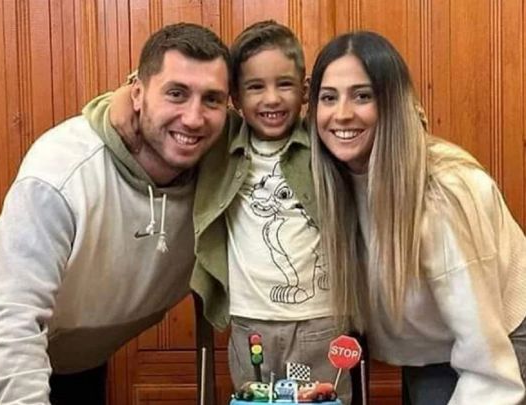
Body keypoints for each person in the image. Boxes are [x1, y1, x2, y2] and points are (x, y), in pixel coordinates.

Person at [105, 20, 354, 403]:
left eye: (284, 85)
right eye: (255, 87)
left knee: (319, 400)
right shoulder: (222, 141)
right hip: (248, 320)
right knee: (254, 399)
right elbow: (150, 99)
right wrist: (125, 93)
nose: (271, 99)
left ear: (306, 91)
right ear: (234, 97)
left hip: (320, 319)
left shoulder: (321, 141)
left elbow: (373, 124)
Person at [0, 22, 230, 405]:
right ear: (137, 93)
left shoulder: (225, 165)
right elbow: (12, 321)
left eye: (212, 100)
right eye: (176, 93)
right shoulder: (60, 176)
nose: (194, 118)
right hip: (2, 347)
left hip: (76, 361)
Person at [308, 30, 526, 404]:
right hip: (432, 347)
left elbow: (491, 369)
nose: (341, 114)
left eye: (362, 96)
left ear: (392, 104)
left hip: (498, 342)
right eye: (329, 97)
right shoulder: (336, 178)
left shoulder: (443, 194)